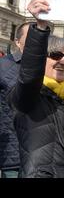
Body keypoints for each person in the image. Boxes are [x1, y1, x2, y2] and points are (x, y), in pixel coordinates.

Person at [9, 0, 64, 178]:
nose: (63, 61)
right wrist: (40, 27)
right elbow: (29, 76)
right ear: (40, 59)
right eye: (55, 55)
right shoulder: (29, 94)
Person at [0, 22, 31, 178]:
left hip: (41, 155)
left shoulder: (49, 68)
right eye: (31, 36)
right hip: (12, 156)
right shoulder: (3, 66)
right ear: (18, 42)